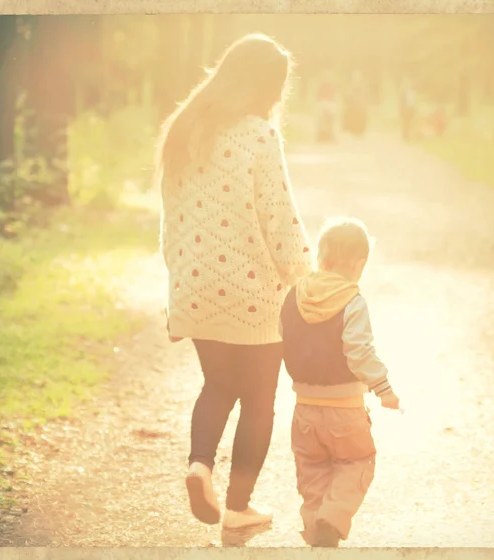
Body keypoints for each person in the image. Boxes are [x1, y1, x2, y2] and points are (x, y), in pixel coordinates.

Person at [156, 33, 313, 530]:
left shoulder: (184, 129)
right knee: (260, 398)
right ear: (267, 86)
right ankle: (239, 509)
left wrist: (179, 282)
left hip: (195, 285)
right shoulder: (259, 136)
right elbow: (280, 217)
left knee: (218, 383)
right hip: (252, 294)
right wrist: (305, 279)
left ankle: (199, 465)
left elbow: (171, 219)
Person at [279, 217, 401, 547]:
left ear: (321, 257)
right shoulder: (352, 301)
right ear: (359, 264)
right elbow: (359, 352)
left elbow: (283, 339)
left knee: (313, 470)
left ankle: (317, 528)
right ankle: (331, 520)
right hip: (345, 410)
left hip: (304, 409)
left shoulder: (293, 297)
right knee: (357, 461)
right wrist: (384, 390)